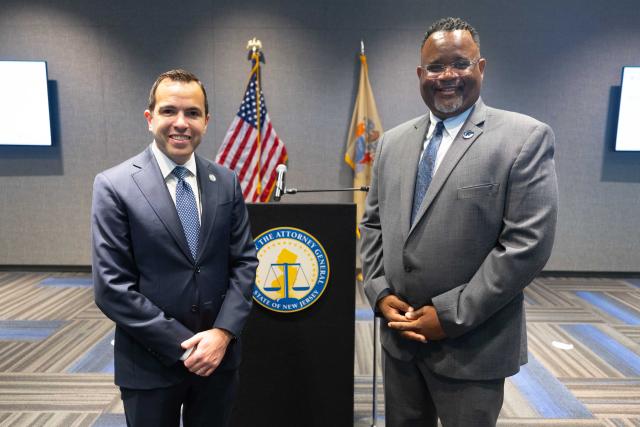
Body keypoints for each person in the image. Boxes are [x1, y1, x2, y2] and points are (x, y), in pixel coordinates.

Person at [360, 17, 558, 426]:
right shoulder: (392, 142)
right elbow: (374, 225)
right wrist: (379, 293)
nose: (447, 76)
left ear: (481, 67)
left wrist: (449, 316)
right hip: (400, 340)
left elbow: (526, 246)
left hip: (473, 346)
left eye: (460, 64)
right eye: (435, 67)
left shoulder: (524, 138)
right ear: (420, 74)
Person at [91, 69, 258, 427]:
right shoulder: (114, 186)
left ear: (206, 121)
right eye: (169, 111)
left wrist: (222, 334)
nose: (181, 123)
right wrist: (186, 347)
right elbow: (112, 288)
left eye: (192, 113)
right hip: (150, 363)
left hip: (219, 358)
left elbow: (244, 263)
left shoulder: (226, 182)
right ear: (150, 118)